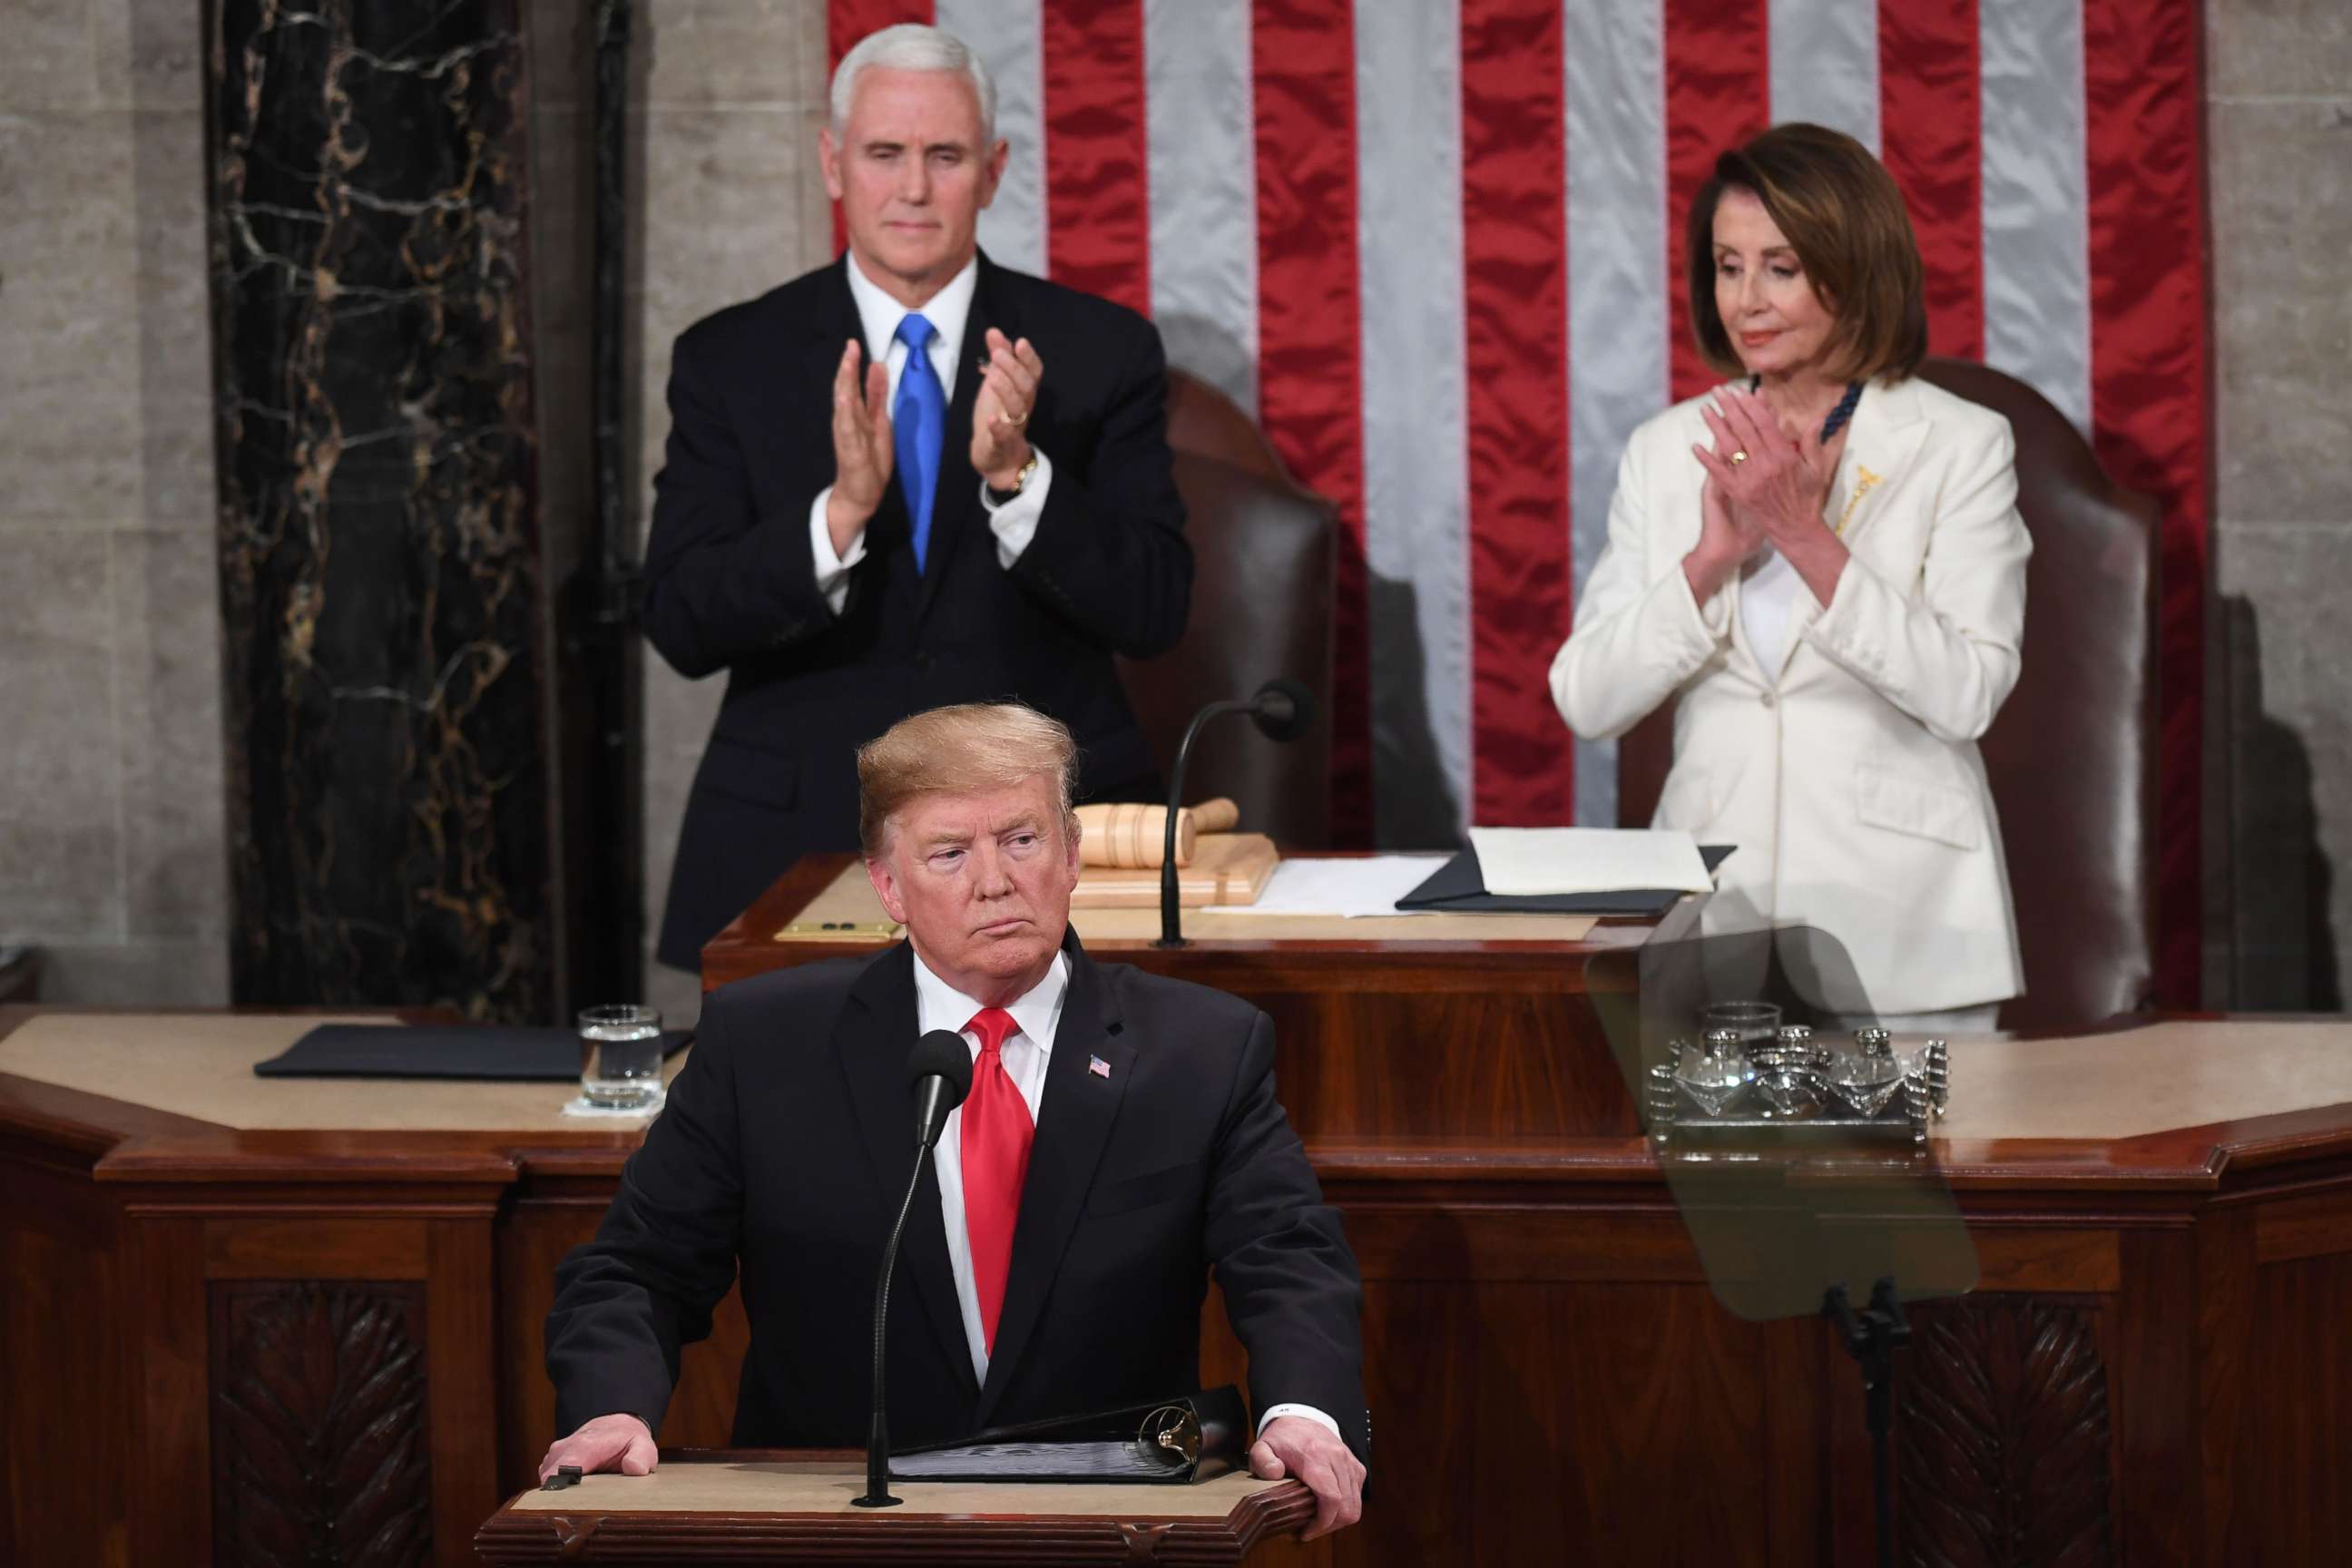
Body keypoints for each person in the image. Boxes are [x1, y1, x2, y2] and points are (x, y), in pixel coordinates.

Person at [542, 703, 1368, 1541]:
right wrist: (614, 1408)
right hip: (837, 1524)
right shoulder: (764, 1044)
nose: (995, 880)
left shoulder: (1201, 1047)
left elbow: (1287, 1257)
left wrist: (1303, 1411)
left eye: (1022, 839)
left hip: (1107, 1526)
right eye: (949, 853)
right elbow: (638, 1269)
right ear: (889, 886)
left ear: (1072, 855)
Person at [641, 24, 1192, 973]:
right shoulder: (729, 359)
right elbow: (681, 622)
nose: (911, 188)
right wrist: (838, 516)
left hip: (1040, 851)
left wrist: (1020, 478)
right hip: (799, 842)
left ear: (993, 168)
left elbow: (1155, 608)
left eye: (944, 156)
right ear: (832, 162)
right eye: (884, 154)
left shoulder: (1101, 352)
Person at [1550, 123, 2031, 1031]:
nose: (1746, 300)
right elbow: (1586, 696)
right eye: (1728, 267)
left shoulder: (1961, 445)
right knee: (1714, 1181)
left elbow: (1967, 694)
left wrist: (1805, 537)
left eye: (1781, 267)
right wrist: (1707, 563)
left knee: (1912, 1179)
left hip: (1906, 940)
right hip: (1709, 940)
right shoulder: (1665, 451)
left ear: (1852, 271)